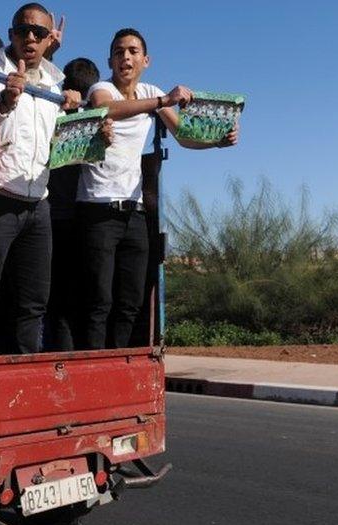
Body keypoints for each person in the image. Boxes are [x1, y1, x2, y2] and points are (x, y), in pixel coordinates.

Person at [77, 28, 239, 349]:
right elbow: (107, 109)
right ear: (110, 60)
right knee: (99, 301)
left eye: (133, 51)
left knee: (131, 300)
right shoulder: (102, 88)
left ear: (146, 60)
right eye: (119, 52)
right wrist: (165, 100)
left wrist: (218, 143)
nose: (126, 57)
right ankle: (92, 369)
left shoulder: (149, 91)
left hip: (134, 211)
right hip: (98, 210)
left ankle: (122, 369)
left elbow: (183, 135)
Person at [0, 2, 81, 355]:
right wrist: (7, 99)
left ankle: (27, 378)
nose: (30, 37)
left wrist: (83, 119)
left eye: (39, 33)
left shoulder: (55, 82)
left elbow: (60, 141)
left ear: (48, 40)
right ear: (11, 33)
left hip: (37, 204)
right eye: (23, 30)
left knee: (33, 304)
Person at [43, 57, 100, 351]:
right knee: (78, 298)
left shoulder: (50, 113)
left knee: (53, 298)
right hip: (87, 218)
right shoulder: (100, 119)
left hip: (54, 217)